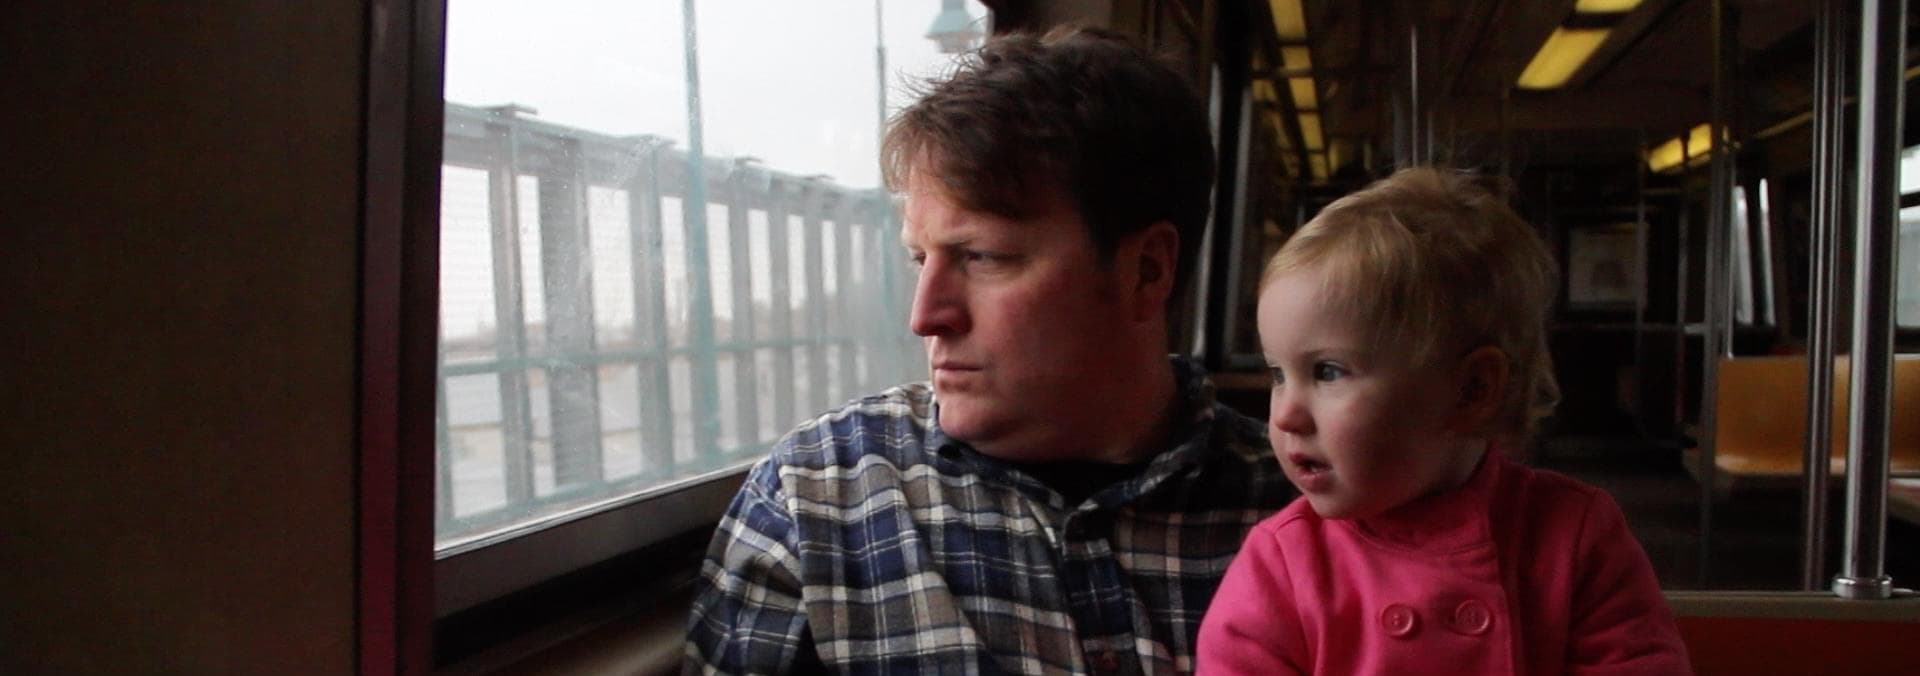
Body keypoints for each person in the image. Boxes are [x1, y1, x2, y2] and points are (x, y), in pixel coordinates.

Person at [685, 27, 1297, 675]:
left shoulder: (1309, 505)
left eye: (982, 256)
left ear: (1146, 270)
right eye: (920, 259)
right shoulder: (813, 504)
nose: (925, 316)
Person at [1196, 168, 1691, 675]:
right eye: (1278, 374)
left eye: (1328, 372)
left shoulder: (1574, 535)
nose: (1284, 415)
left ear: (1472, 390)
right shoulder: (1281, 565)